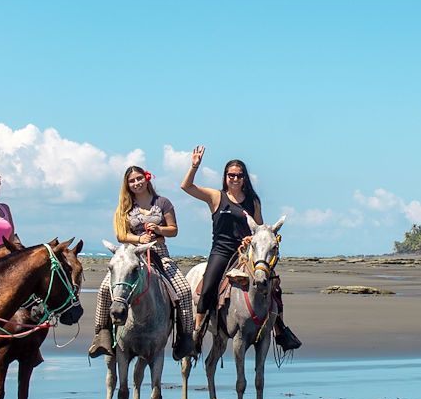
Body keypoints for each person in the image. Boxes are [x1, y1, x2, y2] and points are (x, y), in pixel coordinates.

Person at [180, 146, 300, 353]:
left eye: (239, 175)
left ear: (245, 178)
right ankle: (197, 332)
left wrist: (252, 238)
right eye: (231, 175)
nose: (235, 178)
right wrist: (194, 166)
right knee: (208, 285)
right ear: (225, 176)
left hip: (245, 253)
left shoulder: (253, 201)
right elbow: (187, 187)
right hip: (221, 250)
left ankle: (280, 329)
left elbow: (262, 230)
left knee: (274, 286)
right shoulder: (216, 197)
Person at [90, 165, 191, 358]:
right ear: (127, 185)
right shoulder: (124, 207)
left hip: (159, 253)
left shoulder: (163, 202)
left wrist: (159, 230)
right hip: (130, 254)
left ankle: (185, 339)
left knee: (184, 290)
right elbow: (120, 235)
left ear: (146, 179)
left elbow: (174, 230)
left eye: (139, 179)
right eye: (132, 181)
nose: (137, 183)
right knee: (104, 289)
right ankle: (101, 335)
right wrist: (139, 239)